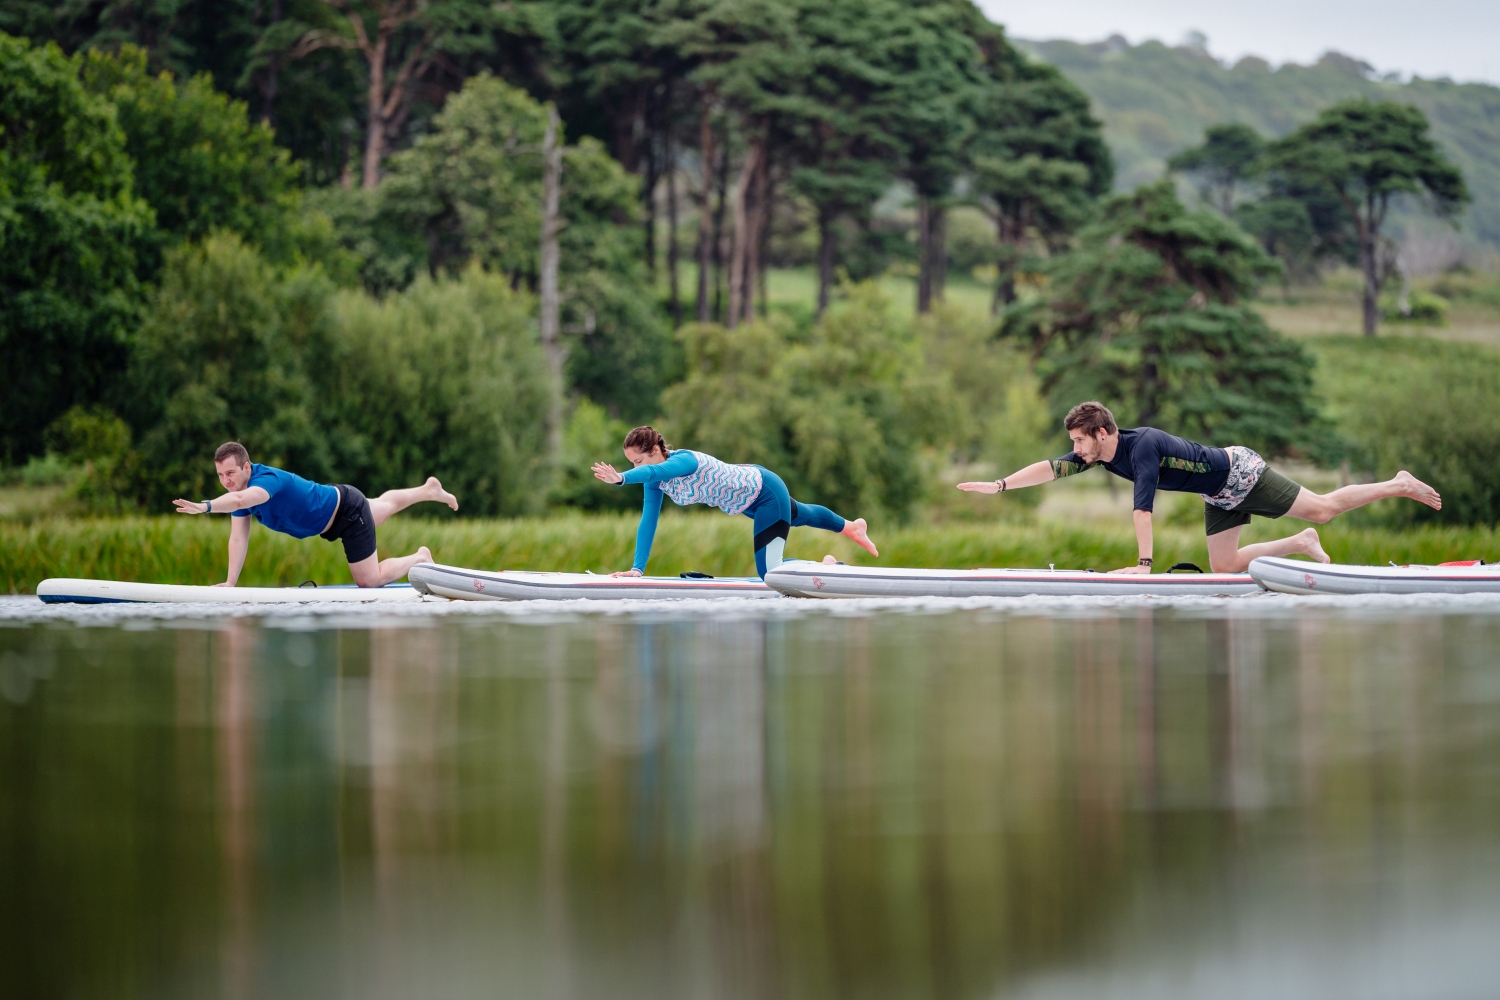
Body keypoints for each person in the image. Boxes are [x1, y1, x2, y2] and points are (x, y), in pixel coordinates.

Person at [958, 401, 1442, 574]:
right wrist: (999, 485)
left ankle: (1397, 483)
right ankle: (1299, 544)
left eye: (1079, 441)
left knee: (1324, 507)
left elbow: (1142, 510)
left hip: (1240, 473)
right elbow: (1050, 468)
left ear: (1101, 433)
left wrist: (1144, 566)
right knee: (1225, 565)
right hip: (1217, 493)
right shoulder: (1098, 457)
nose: (1075, 450)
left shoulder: (1141, 446)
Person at [592, 426, 879, 579]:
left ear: (655, 450)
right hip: (750, 503)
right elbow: (648, 520)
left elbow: (654, 470)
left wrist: (621, 479)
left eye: (638, 461)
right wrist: (637, 569)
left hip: (764, 490)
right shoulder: (654, 481)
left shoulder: (683, 461)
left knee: (771, 573)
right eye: (632, 464)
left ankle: (826, 565)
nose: (637, 467)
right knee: (799, 514)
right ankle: (851, 527)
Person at [172, 442, 458, 587]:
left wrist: (206, 506)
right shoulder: (239, 496)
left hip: (346, 510)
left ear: (247, 468)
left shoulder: (265, 481)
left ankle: (420, 558)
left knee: (368, 581)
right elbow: (237, 540)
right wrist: (231, 584)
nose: (226, 480)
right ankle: (427, 490)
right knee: (383, 506)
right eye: (220, 475)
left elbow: (240, 499)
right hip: (335, 507)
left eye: (230, 473)